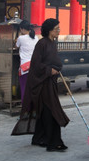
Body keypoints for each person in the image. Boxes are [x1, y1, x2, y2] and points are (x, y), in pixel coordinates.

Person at [11, 19, 70, 152]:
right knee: (51, 111)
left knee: (45, 111)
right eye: (57, 29)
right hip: (42, 83)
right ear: (49, 30)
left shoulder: (52, 43)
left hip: (50, 82)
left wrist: (56, 68)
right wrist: (49, 70)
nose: (59, 31)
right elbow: (36, 65)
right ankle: (54, 142)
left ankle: (39, 138)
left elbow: (54, 61)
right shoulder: (41, 43)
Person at [15, 20, 38, 102]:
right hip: (35, 65)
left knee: (24, 87)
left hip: (25, 67)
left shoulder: (21, 38)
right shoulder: (36, 37)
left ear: (22, 29)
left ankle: (25, 107)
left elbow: (16, 46)